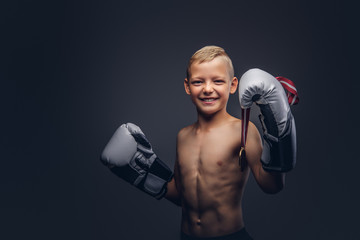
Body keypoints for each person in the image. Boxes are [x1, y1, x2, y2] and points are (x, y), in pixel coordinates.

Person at [100, 46, 297, 240]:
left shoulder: (243, 131)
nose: (208, 89)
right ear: (187, 86)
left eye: (218, 81)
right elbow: (181, 197)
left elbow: (272, 186)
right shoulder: (183, 136)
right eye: (198, 82)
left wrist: (279, 135)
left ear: (233, 85)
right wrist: (143, 174)